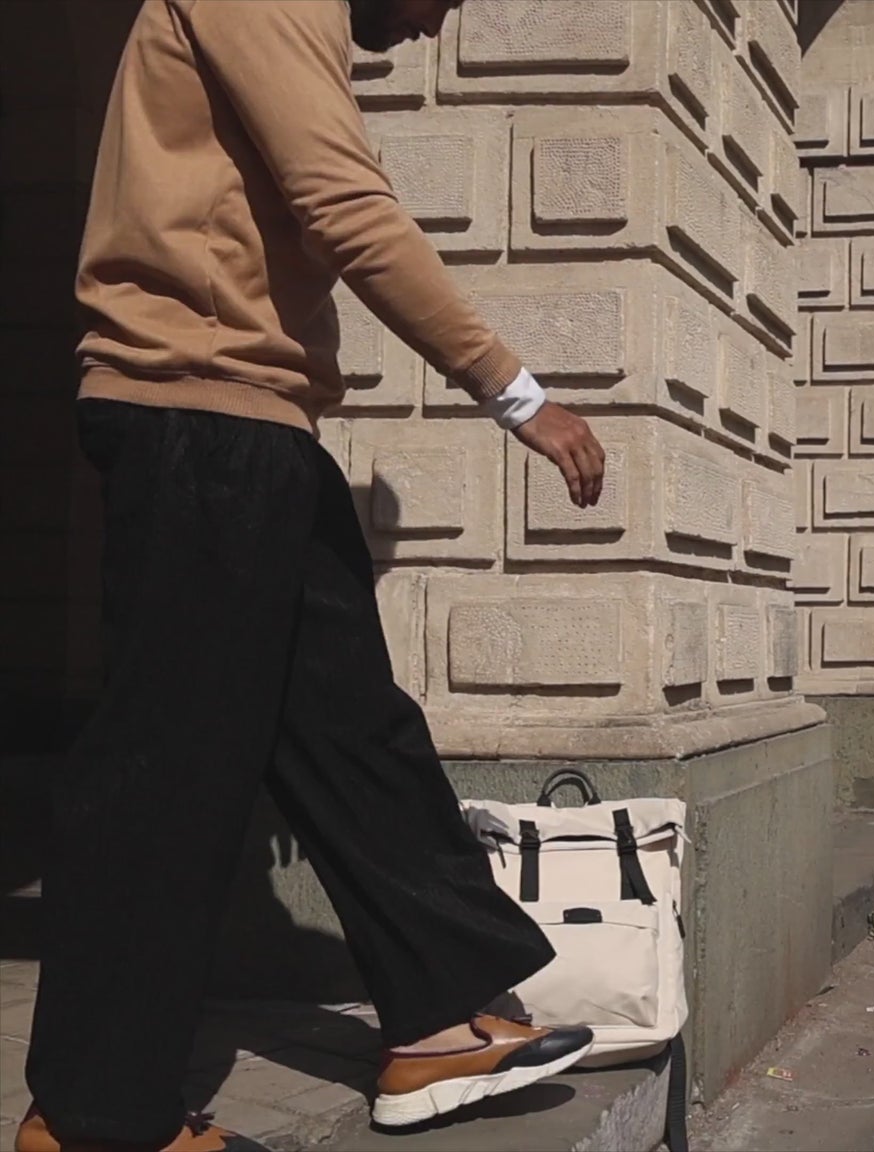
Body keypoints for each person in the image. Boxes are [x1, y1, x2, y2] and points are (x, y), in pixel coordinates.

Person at [19, 3, 608, 1150]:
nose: (435, 23)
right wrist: (515, 392)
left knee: (351, 729)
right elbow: (344, 204)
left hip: (250, 423)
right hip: (194, 416)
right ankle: (94, 1117)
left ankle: (438, 1015)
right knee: (165, 773)